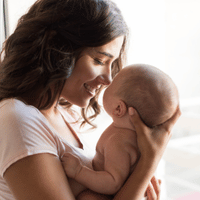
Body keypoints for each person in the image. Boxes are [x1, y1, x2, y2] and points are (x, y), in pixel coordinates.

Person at [0, 0, 181, 199]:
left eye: (111, 64)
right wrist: (148, 162)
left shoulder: (65, 114)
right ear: (58, 49)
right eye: (99, 61)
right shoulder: (17, 119)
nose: (108, 79)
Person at [61, 64, 179, 199]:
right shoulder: (131, 137)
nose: (108, 82)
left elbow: (113, 183)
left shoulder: (119, 141)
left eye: (113, 83)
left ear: (118, 108)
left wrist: (79, 171)